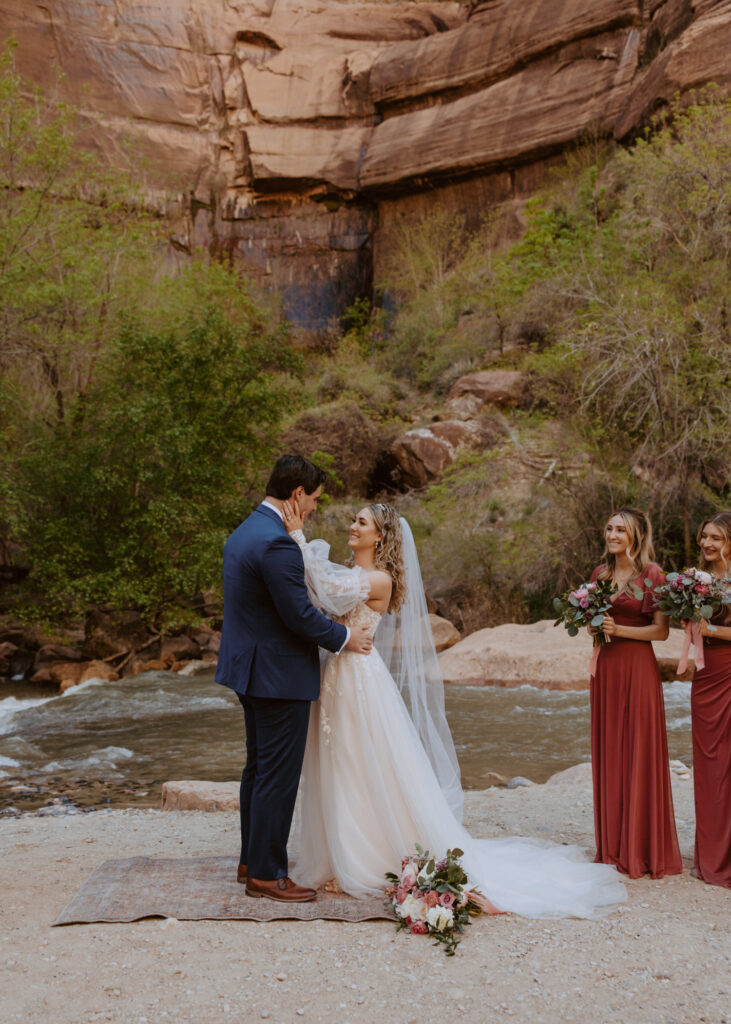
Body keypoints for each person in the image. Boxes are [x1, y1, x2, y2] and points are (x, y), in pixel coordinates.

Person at [282, 500, 626, 919]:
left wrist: (297, 535)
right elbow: (321, 589)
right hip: (338, 676)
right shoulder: (354, 573)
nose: (352, 526)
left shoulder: (377, 579)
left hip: (359, 681)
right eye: (354, 520)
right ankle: (337, 856)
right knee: (339, 763)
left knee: (358, 761)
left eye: (362, 523)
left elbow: (320, 585)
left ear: (381, 536)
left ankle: (363, 859)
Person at [215, 455, 374, 903]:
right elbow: (299, 616)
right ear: (297, 493)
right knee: (277, 775)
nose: (316, 509)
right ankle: (266, 875)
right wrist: (344, 637)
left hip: (249, 670)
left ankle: (252, 858)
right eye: (315, 499)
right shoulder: (278, 544)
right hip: (277, 674)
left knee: (258, 768)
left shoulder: (246, 530)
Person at [589, 507, 682, 878]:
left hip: (638, 667)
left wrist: (619, 630)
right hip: (607, 668)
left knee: (638, 749)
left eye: (620, 531)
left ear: (636, 536)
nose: (612, 535)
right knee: (611, 749)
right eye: (609, 528)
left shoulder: (653, 574)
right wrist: (594, 626)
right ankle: (612, 846)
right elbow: (597, 626)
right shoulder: (600, 574)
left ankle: (641, 848)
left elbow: (661, 632)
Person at [689, 512, 731, 888]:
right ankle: (709, 854)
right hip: (705, 676)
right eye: (705, 536)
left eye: (716, 537)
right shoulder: (698, 581)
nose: (707, 543)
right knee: (708, 763)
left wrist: (712, 628)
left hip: (730, 671)